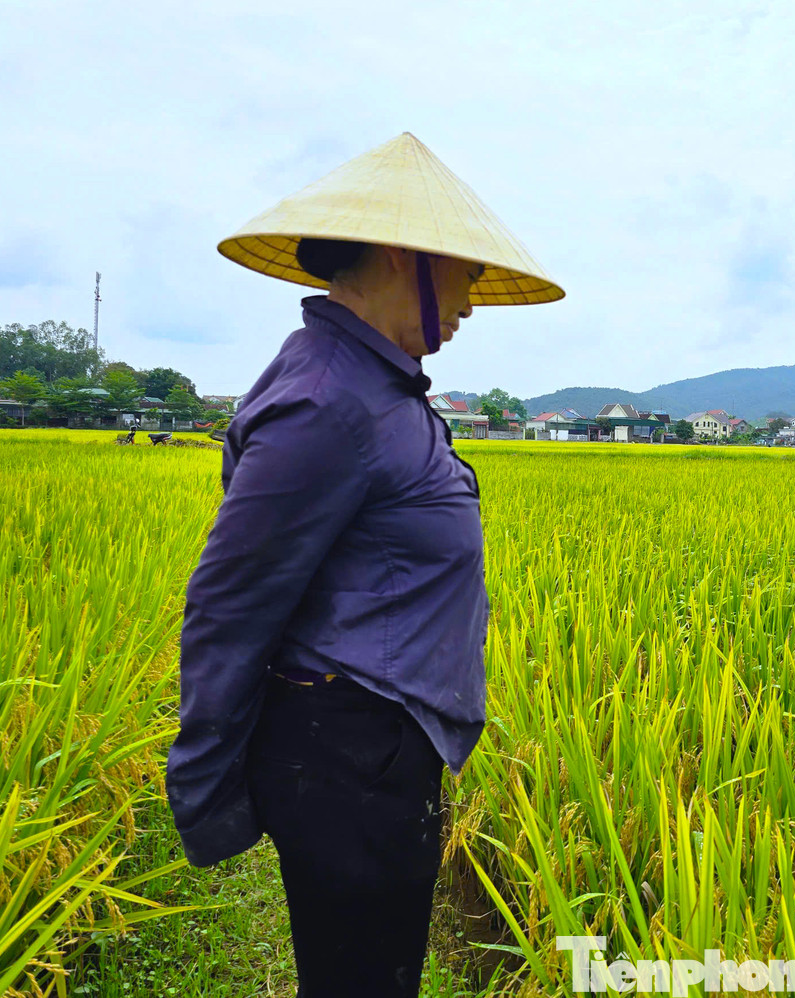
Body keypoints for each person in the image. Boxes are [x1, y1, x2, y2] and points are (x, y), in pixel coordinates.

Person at [164, 132, 563, 997]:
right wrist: (206, 782)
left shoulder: (377, 385)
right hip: (349, 755)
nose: (470, 299)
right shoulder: (330, 401)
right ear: (399, 257)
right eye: (461, 273)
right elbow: (232, 601)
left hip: (377, 749)